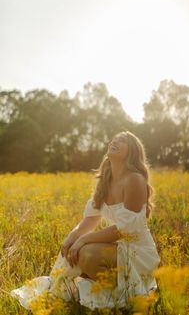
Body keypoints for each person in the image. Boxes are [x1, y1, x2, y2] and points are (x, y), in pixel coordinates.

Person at [10, 131, 161, 310]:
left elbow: (125, 229)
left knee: (86, 252)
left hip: (136, 250)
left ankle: (121, 291)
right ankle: (90, 285)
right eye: (115, 139)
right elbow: (89, 221)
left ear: (132, 152)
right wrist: (71, 238)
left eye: (123, 141)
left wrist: (83, 240)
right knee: (73, 249)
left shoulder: (134, 179)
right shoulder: (106, 181)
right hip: (117, 246)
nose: (115, 141)